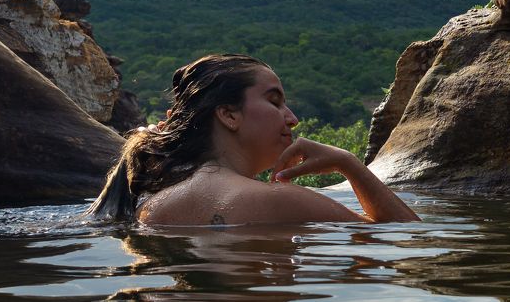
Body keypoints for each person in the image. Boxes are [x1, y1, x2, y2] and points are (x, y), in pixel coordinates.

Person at [87, 54, 419, 226]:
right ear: (229, 115)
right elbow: (409, 244)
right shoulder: (281, 201)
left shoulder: (147, 200)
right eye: (274, 101)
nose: (292, 118)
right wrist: (348, 163)